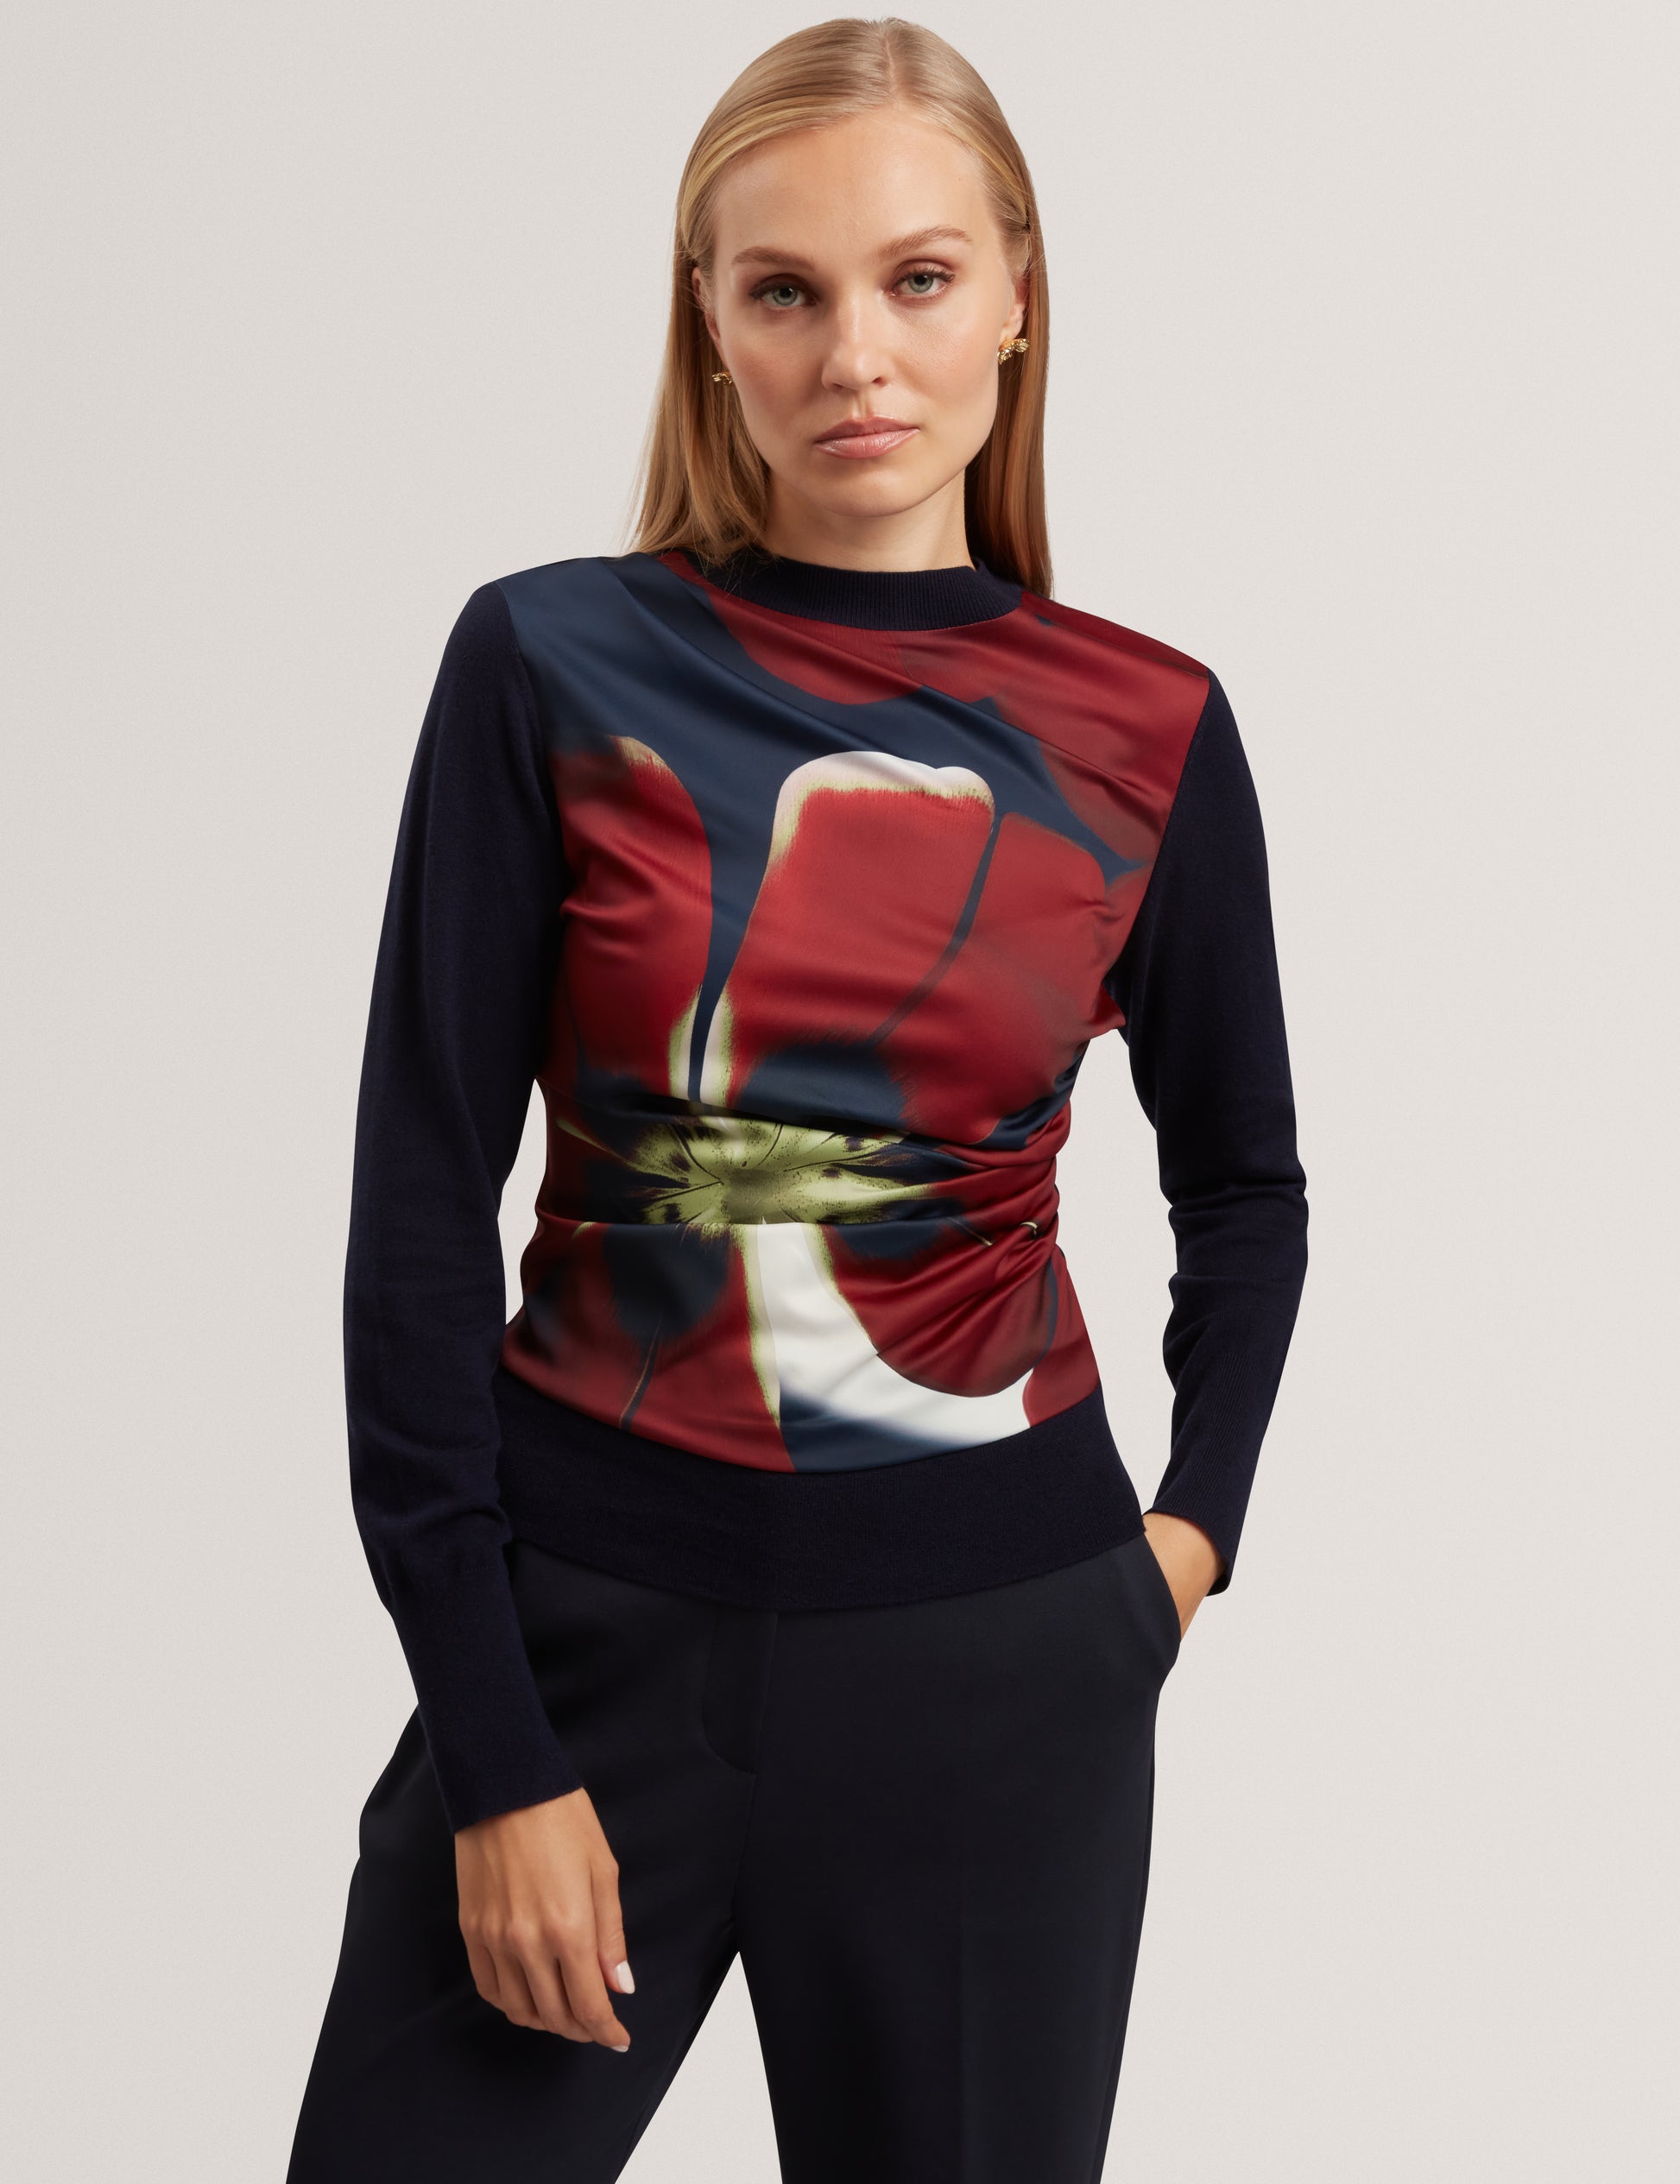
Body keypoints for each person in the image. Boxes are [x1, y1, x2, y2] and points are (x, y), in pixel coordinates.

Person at [286, 17, 1309, 2181]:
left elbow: (1245, 1182)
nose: (856, 354)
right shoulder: (545, 666)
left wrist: (1181, 1547)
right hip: (578, 1647)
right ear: (709, 321)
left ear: (1016, 293)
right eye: (785, 289)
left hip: (1002, 1668)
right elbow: (417, 1205)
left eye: (917, 278)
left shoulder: (1145, 728)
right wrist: (494, 1745)